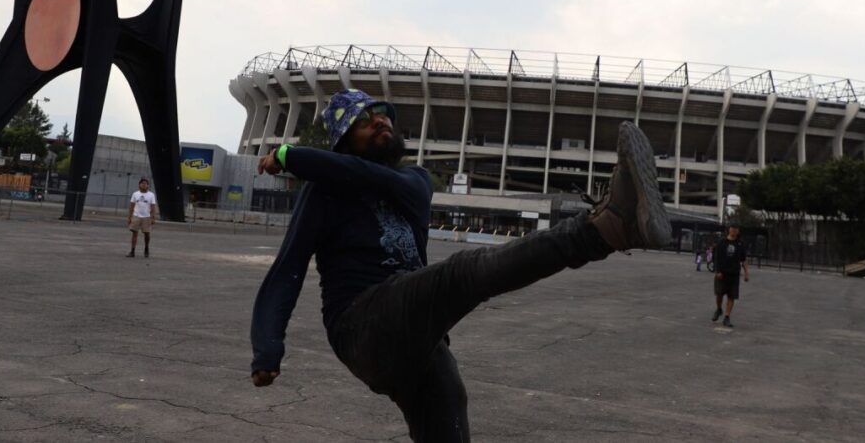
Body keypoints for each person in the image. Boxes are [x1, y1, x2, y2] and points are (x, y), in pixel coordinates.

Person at [250, 89, 672, 442]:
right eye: (365, 120)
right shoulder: (324, 192)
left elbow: (371, 177)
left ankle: (612, 226)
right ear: (343, 141)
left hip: (417, 335)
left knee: (448, 414)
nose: (380, 122)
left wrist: (290, 154)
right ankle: (604, 229)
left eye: (383, 116)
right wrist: (267, 346)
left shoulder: (412, 183)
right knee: (462, 274)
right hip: (361, 324)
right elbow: (288, 267)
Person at [712, 224, 749, 327]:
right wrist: (717, 271)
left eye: (735, 229)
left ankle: (727, 317)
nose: (733, 231)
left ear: (738, 231)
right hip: (722, 273)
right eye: (732, 229)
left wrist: (746, 273)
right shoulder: (722, 242)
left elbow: (744, 259)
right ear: (729, 230)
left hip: (734, 274)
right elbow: (716, 258)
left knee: (731, 296)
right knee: (719, 294)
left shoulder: (740, 244)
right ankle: (719, 309)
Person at [126, 178, 157, 258]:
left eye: (146, 183)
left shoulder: (151, 195)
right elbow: (131, 206)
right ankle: (132, 251)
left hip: (147, 217)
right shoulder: (135, 194)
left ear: (148, 185)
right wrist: (129, 217)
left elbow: (153, 207)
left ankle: (146, 248)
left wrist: (153, 217)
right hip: (136, 216)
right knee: (134, 233)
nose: (144, 185)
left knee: (147, 234)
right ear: (139, 185)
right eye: (142, 183)